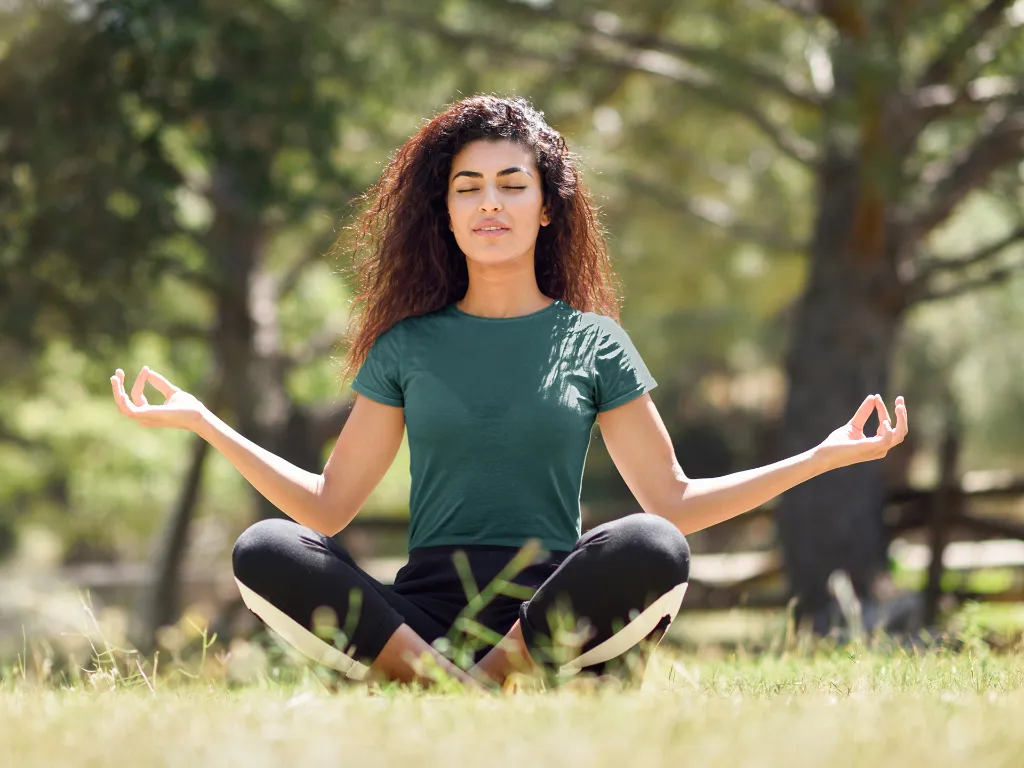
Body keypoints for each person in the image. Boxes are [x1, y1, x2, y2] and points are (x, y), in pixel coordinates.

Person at [110, 95, 908, 692]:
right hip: (418, 617)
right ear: (446, 213)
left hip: (552, 611)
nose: (490, 202)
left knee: (654, 546)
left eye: (511, 184)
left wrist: (823, 457)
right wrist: (202, 420)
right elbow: (326, 509)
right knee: (268, 547)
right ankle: (448, 679)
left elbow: (673, 500)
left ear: (547, 207)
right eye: (468, 187)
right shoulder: (406, 346)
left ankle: (488, 677)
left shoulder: (595, 342)